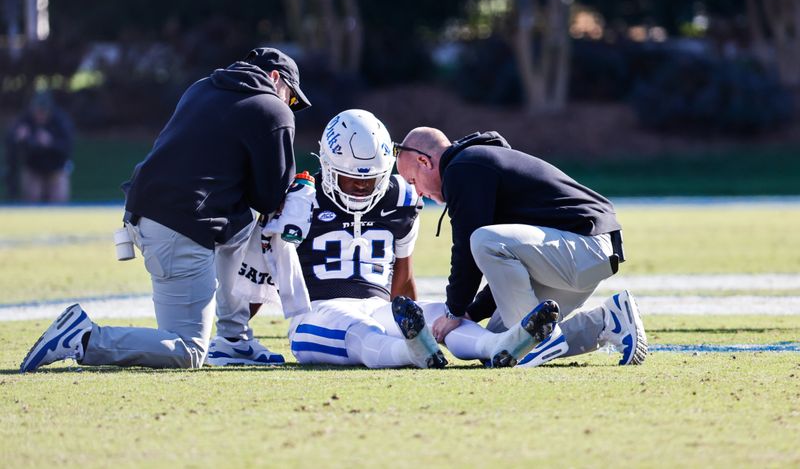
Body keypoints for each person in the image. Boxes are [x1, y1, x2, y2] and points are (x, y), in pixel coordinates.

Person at [20, 47, 311, 373]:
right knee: (187, 349)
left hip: (147, 210)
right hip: (180, 226)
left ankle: (234, 339)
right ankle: (85, 338)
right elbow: (272, 200)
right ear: (274, 78)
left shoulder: (201, 87)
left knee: (242, 229)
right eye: (291, 97)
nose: (290, 106)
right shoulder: (273, 108)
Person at [217, 110, 560, 369]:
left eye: (371, 180)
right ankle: (410, 353)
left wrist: (413, 315)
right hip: (316, 314)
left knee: (443, 315)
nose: (363, 187)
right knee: (360, 332)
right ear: (329, 165)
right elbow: (259, 272)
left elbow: (403, 274)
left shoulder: (400, 197)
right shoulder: (299, 198)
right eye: (352, 180)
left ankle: (499, 345)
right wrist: (234, 333)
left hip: (380, 306)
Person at [395, 127, 647, 367]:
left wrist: (454, 310)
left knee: (482, 240)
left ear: (424, 162)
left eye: (412, 181)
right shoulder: (472, 164)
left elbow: (468, 249)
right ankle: (608, 321)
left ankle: (534, 344)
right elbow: (506, 267)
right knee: (498, 345)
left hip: (587, 245)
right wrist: (471, 314)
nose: (416, 192)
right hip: (572, 254)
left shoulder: (463, 167)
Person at [5, 91, 74, 202]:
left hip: (56, 169)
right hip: (33, 168)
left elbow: (67, 147)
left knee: (59, 207)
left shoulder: (60, 120)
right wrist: (17, 138)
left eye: (43, 111)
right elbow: (10, 144)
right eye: (37, 111)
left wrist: (51, 143)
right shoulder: (26, 119)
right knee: (31, 204)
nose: (40, 115)